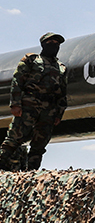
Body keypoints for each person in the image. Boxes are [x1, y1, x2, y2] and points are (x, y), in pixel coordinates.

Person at [0, 32, 68, 171]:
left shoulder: (61, 67)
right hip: (29, 105)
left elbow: (62, 93)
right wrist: (15, 104)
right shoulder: (31, 60)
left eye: (57, 43)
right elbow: (17, 81)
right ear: (43, 44)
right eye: (51, 42)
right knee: (14, 138)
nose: (54, 45)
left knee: (40, 143)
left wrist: (59, 114)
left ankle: (31, 172)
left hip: (49, 110)